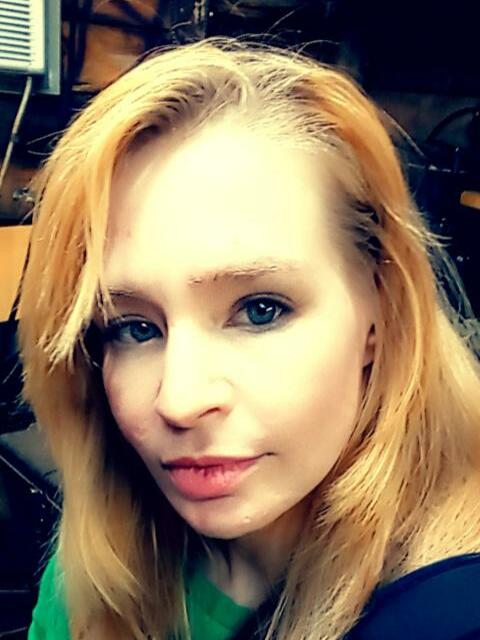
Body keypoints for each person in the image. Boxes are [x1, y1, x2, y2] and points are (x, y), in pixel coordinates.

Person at [20, 36, 480, 640]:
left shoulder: (451, 608)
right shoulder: (96, 562)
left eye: (261, 311)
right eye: (134, 328)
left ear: (383, 311)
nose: (179, 400)